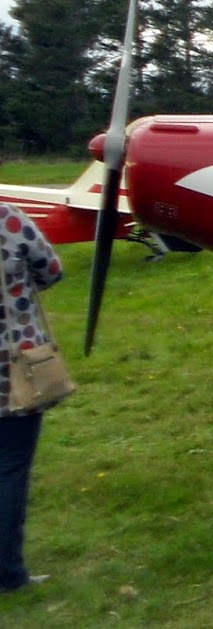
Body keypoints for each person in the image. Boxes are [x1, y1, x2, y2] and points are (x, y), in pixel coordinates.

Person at [0, 202, 64, 593]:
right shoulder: (9, 219)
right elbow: (52, 270)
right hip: (18, 367)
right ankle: (8, 573)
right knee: (10, 468)